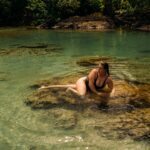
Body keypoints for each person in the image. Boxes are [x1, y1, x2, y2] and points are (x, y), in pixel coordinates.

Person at [39, 61, 113, 107]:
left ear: (105, 69)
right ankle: (70, 90)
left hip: (87, 88)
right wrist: (97, 93)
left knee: (63, 86)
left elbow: (111, 88)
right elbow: (90, 85)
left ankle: (45, 87)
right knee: (81, 96)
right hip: (83, 82)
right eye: (98, 67)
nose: (98, 69)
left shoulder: (108, 79)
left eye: (101, 68)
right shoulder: (94, 72)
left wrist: (109, 93)